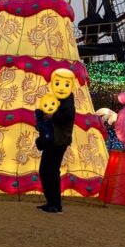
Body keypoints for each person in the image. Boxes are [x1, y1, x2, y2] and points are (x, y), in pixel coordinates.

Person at [38, 68, 76, 214]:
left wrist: (52, 116)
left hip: (58, 140)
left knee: (50, 171)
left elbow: (68, 116)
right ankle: (51, 202)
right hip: (54, 139)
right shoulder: (60, 99)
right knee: (47, 171)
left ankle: (55, 204)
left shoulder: (66, 99)